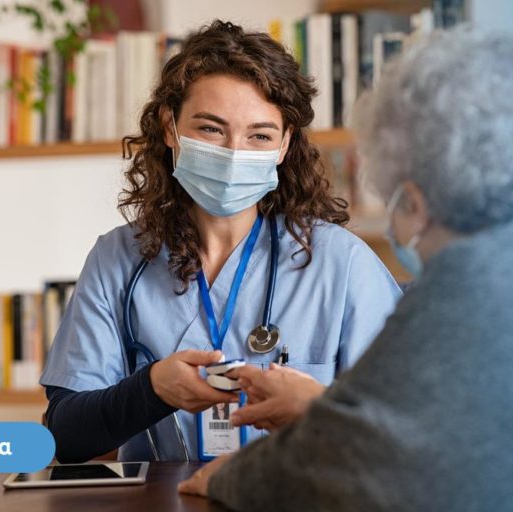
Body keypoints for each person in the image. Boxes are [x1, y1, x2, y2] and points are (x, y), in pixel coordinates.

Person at [178, 27, 513, 510]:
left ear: (416, 204)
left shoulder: (467, 285)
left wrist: (228, 478)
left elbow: (361, 462)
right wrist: (320, 409)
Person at [39, 20, 401, 463]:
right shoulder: (118, 260)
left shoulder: (341, 263)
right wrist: (152, 389)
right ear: (169, 126)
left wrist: (316, 411)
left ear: (284, 145)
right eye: (211, 129)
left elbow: (408, 430)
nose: (234, 153)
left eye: (260, 135)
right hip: (165, 496)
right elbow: (65, 435)